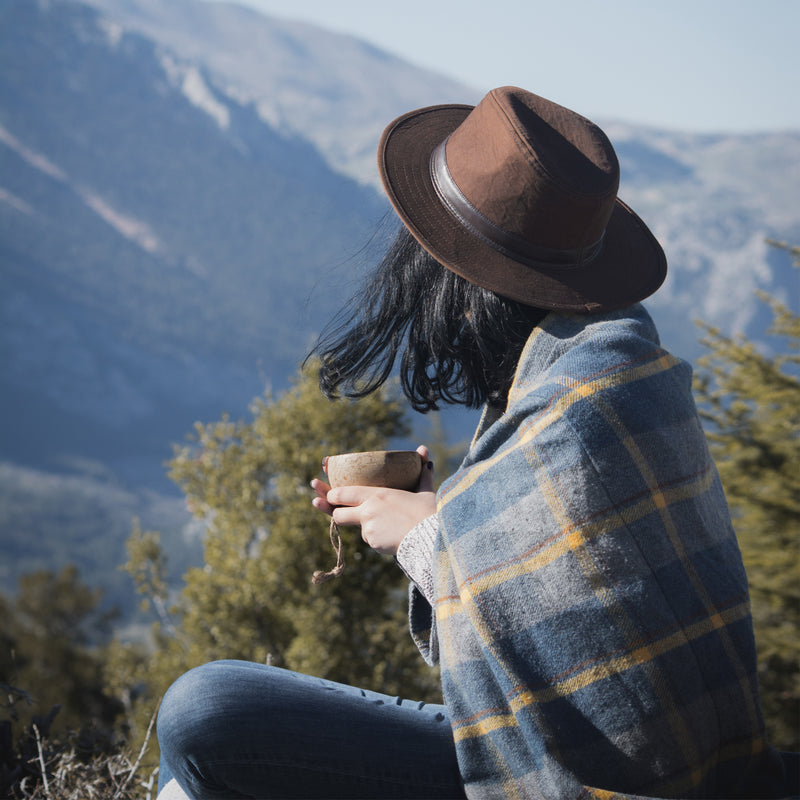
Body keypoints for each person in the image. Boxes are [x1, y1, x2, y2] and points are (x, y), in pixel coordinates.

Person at [156, 87, 797, 799]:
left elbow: (561, 659)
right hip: (700, 770)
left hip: (599, 786)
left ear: (458, 280)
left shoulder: (578, 417)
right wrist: (450, 517)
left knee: (203, 709)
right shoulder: (630, 376)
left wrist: (426, 537)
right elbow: (559, 638)